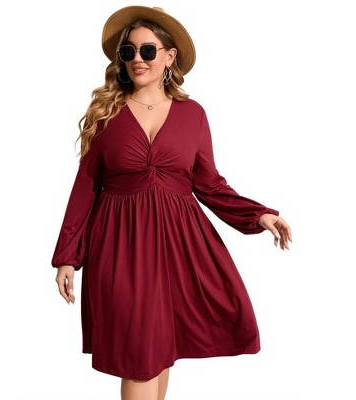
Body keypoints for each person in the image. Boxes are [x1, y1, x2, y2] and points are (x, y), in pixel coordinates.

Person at [52, 5, 292, 400]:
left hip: (179, 247)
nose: (137, 59)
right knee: (140, 355)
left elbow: (210, 184)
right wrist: (67, 257)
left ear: (169, 56)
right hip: (120, 247)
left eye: (148, 50)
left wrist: (259, 215)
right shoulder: (105, 114)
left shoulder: (192, 114)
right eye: (128, 51)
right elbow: (84, 189)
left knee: (159, 353)